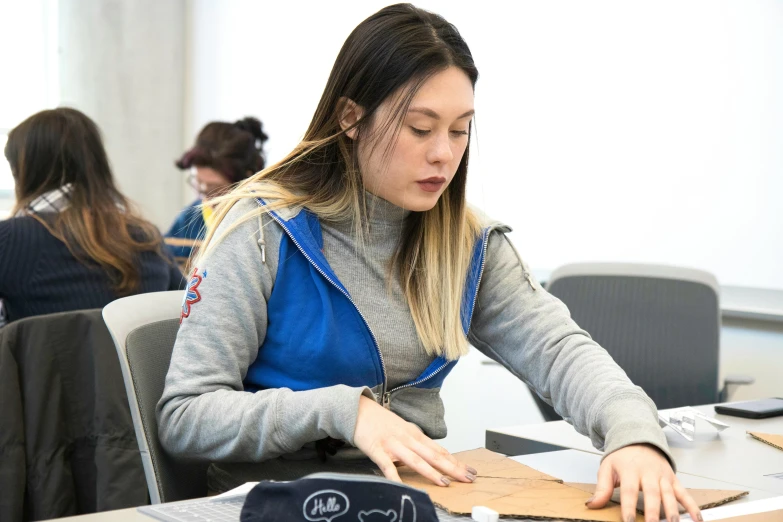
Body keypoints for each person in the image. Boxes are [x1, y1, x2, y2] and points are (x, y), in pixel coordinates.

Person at [157, 5, 701, 522]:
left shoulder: (467, 243)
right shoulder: (258, 231)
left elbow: (560, 351)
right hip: (271, 506)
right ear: (351, 118)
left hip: (408, 503)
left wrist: (633, 436)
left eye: (460, 129)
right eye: (421, 128)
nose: (444, 153)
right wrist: (343, 410)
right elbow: (186, 416)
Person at [0, 108, 184, 324]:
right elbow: (187, 312)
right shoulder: (146, 237)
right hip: (137, 359)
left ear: (21, 172)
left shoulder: (10, 239)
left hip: (41, 358)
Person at [165, 117, 268, 269]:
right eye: (198, 182)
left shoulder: (263, 221)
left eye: (215, 188)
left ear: (245, 179)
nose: (204, 194)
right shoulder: (190, 218)